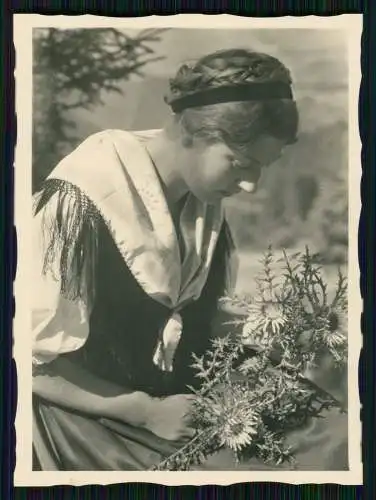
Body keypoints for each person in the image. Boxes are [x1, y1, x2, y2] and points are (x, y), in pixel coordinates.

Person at [32, 48, 347, 471]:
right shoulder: (81, 205)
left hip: (180, 394)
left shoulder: (200, 204)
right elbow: (28, 361)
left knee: (338, 434)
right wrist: (144, 410)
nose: (252, 185)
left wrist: (273, 332)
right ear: (189, 133)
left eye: (262, 167)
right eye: (239, 162)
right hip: (104, 416)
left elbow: (189, 322)